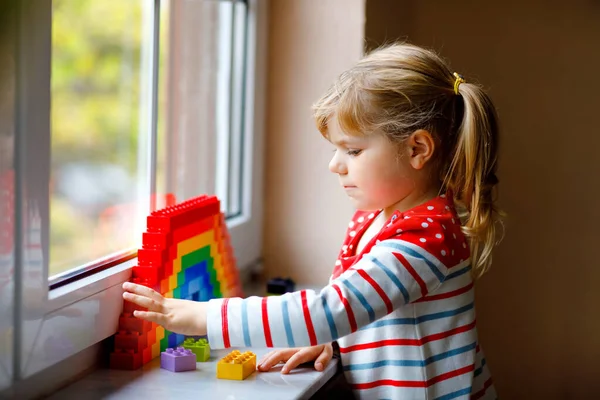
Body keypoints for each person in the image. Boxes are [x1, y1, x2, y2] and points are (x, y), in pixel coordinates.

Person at [123, 42, 502, 400]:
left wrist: (204, 316)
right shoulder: (376, 217)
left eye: (352, 150)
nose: (335, 165)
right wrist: (335, 339)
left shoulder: (425, 237)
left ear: (417, 148)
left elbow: (331, 309)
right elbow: (366, 306)